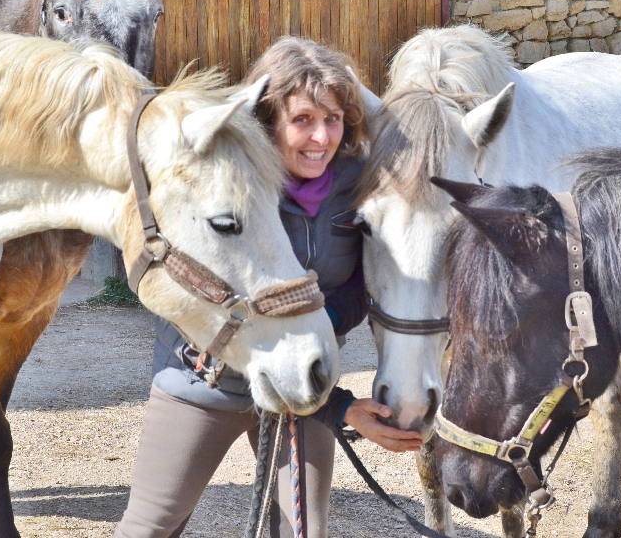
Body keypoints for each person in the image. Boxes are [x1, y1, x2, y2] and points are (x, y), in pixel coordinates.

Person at [113, 36, 423, 538]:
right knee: (151, 525)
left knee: (303, 532)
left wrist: (329, 383)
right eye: (302, 120)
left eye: (333, 119)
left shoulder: (356, 184)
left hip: (301, 383)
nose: (320, 137)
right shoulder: (224, 181)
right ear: (269, 119)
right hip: (205, 383)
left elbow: (358, 289)